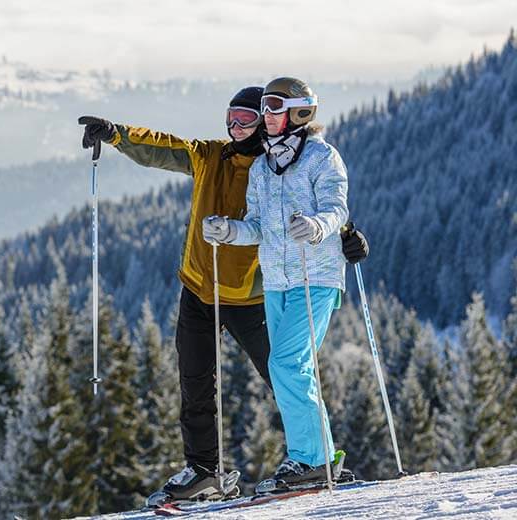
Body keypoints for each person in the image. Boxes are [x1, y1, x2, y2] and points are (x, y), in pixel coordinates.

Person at [78, 86, 368, 501]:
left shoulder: (275, 163)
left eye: (245, 119)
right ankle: (204, 469)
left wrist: (343, 233)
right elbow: (165, 148)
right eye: (230, 118)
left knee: (286, 373)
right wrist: (116, 133)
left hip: (252, 295)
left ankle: (317, 458)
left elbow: (321, 203)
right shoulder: (215, 157)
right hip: (200, 288)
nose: (236, 127)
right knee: (194, 381)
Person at [204, 77, 351, 492]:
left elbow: (336, 209)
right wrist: (229, 232)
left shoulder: (322, 158)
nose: (266, 115)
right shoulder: (263, 168)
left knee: (286, 363)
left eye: (273, 107)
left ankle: (312, 459)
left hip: (316, 277)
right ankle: (318, 458)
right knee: (289, 367)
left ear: (300, 112)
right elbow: (258, 225)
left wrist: (317, 226)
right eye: (265, 108)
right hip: (277, 280)